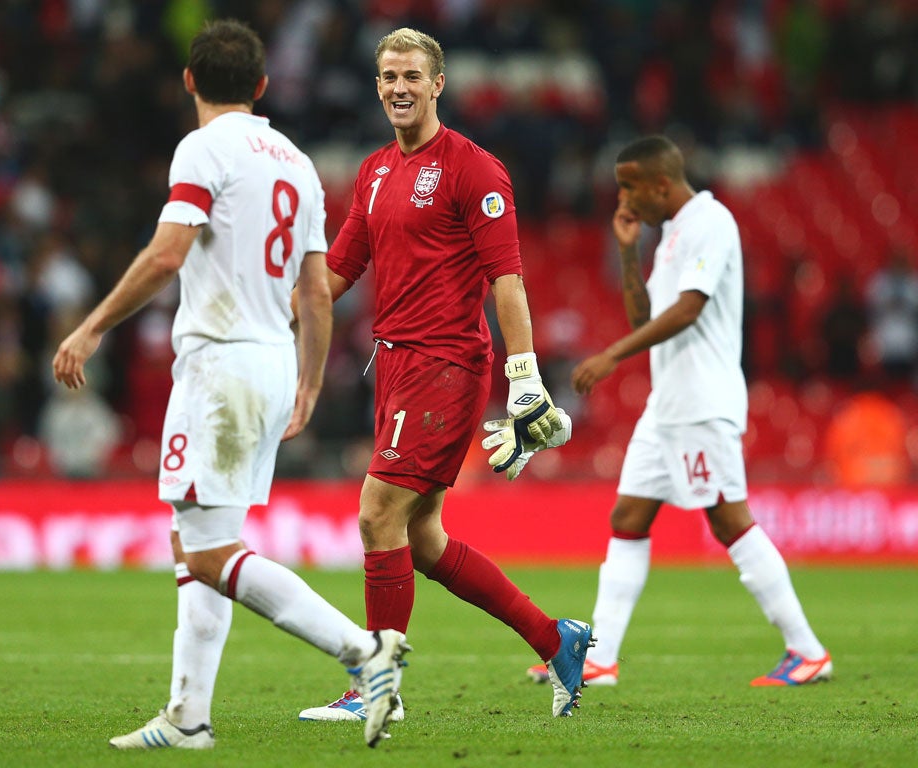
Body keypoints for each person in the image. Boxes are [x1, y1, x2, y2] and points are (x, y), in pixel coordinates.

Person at [52, 19, 410, 750]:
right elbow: (316, 292)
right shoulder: (298, 162)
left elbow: (166, 254)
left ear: (189, 81)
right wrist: (307, 380)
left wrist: (92, 326)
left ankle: (365, 652)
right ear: (262, 86)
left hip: (220, 366)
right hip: (272, 360)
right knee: (200, 546)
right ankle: (188, 717)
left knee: (211, 553)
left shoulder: (203, 148)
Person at [295, 27, 593, 724]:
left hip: (446, 365)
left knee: (376, 513)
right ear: (377, 86)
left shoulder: (472, 168)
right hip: (394, 365)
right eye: (388, 76)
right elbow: (339, 271)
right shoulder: (373, 172)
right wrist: (266, 309)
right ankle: (558, 639)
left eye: (412, 76)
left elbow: (507, 279)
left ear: (438, 84)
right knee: (420, 539)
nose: (399, 87)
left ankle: (380, 687)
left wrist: (524, 377)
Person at [526, 135, 831, 688]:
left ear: (659, 184)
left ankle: (806, 650)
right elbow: (647, 312)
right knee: (628, 519)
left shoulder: (710, 223)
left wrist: (612, 356)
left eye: (627, 185)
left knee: (727, 519)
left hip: (701, 403)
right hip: (666, 406)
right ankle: (599, 658)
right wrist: (625, 250)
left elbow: (689, 310)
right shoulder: (668, 238)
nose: (620, 196)